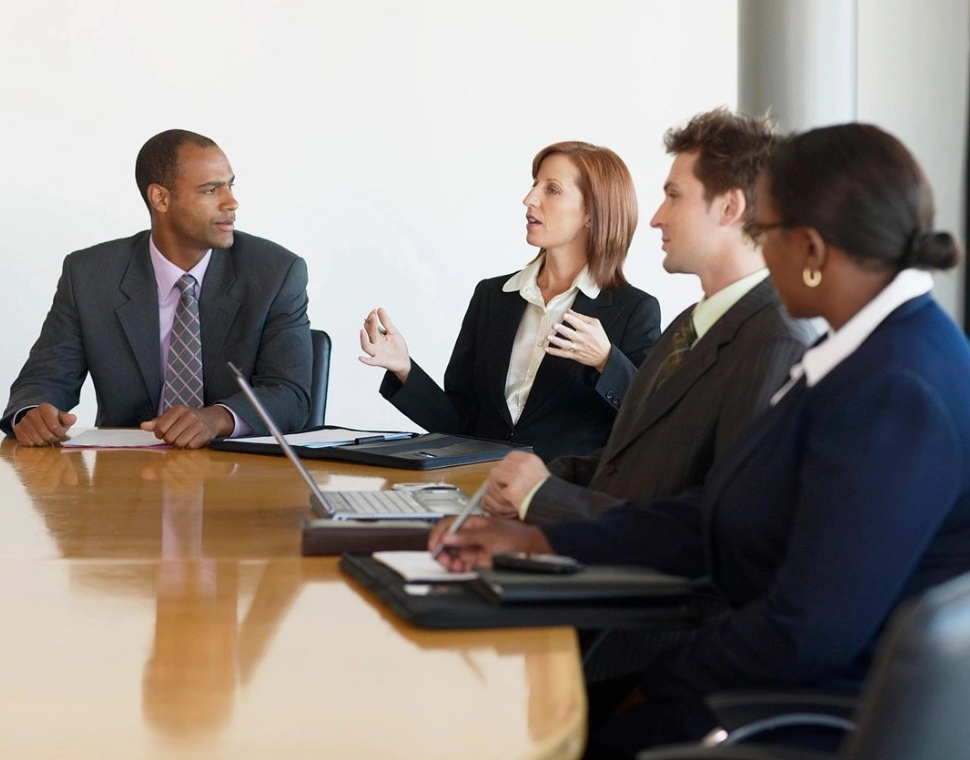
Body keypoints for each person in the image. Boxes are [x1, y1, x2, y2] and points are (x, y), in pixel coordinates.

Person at [430, 123, 970, 757]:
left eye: (766, 234)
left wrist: (654, 684)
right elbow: (715, 515)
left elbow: (806, 630)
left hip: (794, 713)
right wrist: (540, 535)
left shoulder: (898, 387)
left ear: (814, 251)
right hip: (764, 682)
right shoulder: (862, 357)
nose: (760, 253)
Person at [481, 109, 815, 524]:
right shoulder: (688, 326)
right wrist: (537, 483)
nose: (657, 217)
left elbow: (721, 524)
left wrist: (543, 500)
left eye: (674, 195)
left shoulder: (776, 342)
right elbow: (637, 461)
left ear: (730, 207)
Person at [0, 129, 312, 449]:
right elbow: (44, 379)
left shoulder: (275, 273)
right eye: (210, 190)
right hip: (125, 477)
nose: (231, 202)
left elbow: (291, 395)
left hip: (239, 473)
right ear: (160, 198)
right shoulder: (89, 275)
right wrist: (33, 414)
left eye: (230, 185)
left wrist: (216, 418)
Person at [358, 142, 661, 462]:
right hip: (476, 487)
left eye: (552, 189)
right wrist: (404, 368)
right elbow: (459, 425)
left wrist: (605, 360)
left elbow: (653, 421)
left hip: (559, 501)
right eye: (535, 185)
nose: (529, 199)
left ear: (591, 213)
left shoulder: (634, 311)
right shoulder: (492, 297)